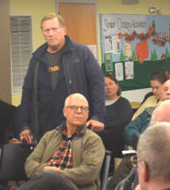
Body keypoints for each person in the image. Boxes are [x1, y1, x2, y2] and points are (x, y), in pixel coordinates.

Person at [0, 93, 105, 190]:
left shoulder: (92, 140)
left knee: (51, 176)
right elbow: (29, 165)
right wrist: (46, 169)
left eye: (83, 108)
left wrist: (57, 173)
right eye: (74, 107)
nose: (79, 111)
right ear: (64, 112)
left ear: (88, 113)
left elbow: (89, 172)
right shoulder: (49, 136)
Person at [19, 13, 105, 143]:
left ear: (64, 30)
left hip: (76, 126)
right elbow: (27, 93)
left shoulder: (81, 53)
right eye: (46, 30)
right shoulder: (36, 59)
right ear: (43, 33)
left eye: (55, 29)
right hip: (45, 128)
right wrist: (25, 125)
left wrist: (98, 116)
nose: (51, 34)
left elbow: (97, 84)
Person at [102, 73, 133, 157]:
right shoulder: (98, 104)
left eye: (111, 84)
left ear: (117, 86)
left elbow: (122, 122)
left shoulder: (123, 102)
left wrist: (102, 125)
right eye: (104, 85)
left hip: (116, 138)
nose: (108, 87)